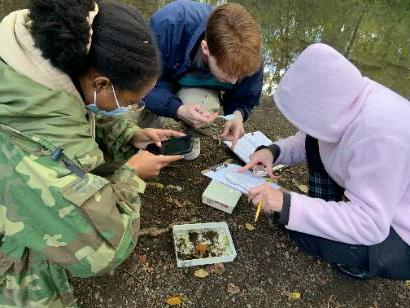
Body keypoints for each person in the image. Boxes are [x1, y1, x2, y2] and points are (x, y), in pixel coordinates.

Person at [0, 0, 184, 306]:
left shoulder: (37, 60)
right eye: (130, 102)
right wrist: (132, 176)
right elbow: (103, 251)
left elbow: (77, 111)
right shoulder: (33, 147)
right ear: (101, 83)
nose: (129, 110)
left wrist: (130, 135)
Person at [241, 43, 410, 280]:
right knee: (297, 216)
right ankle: (329, 210)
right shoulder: (349, 97)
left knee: (301, 231)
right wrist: (273, 151)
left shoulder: (379, 136)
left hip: (400, 230)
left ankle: (370, 261)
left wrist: (288, 204)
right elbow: (311, 137)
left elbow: (370, 224)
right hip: (382, 198)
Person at [138, 0, 263, 160]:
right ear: (205, 48)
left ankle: (191, 134)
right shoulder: (169, 23)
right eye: (228, 73)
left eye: (240, 76)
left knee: (204, 107)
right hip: (160, 76)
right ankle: (149, 128)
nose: (233, 82)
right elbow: (143, 81)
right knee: (135, 129)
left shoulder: (249, 53)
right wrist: (178, 109)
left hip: (196, 84)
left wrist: (237, 115)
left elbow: (245, 95)